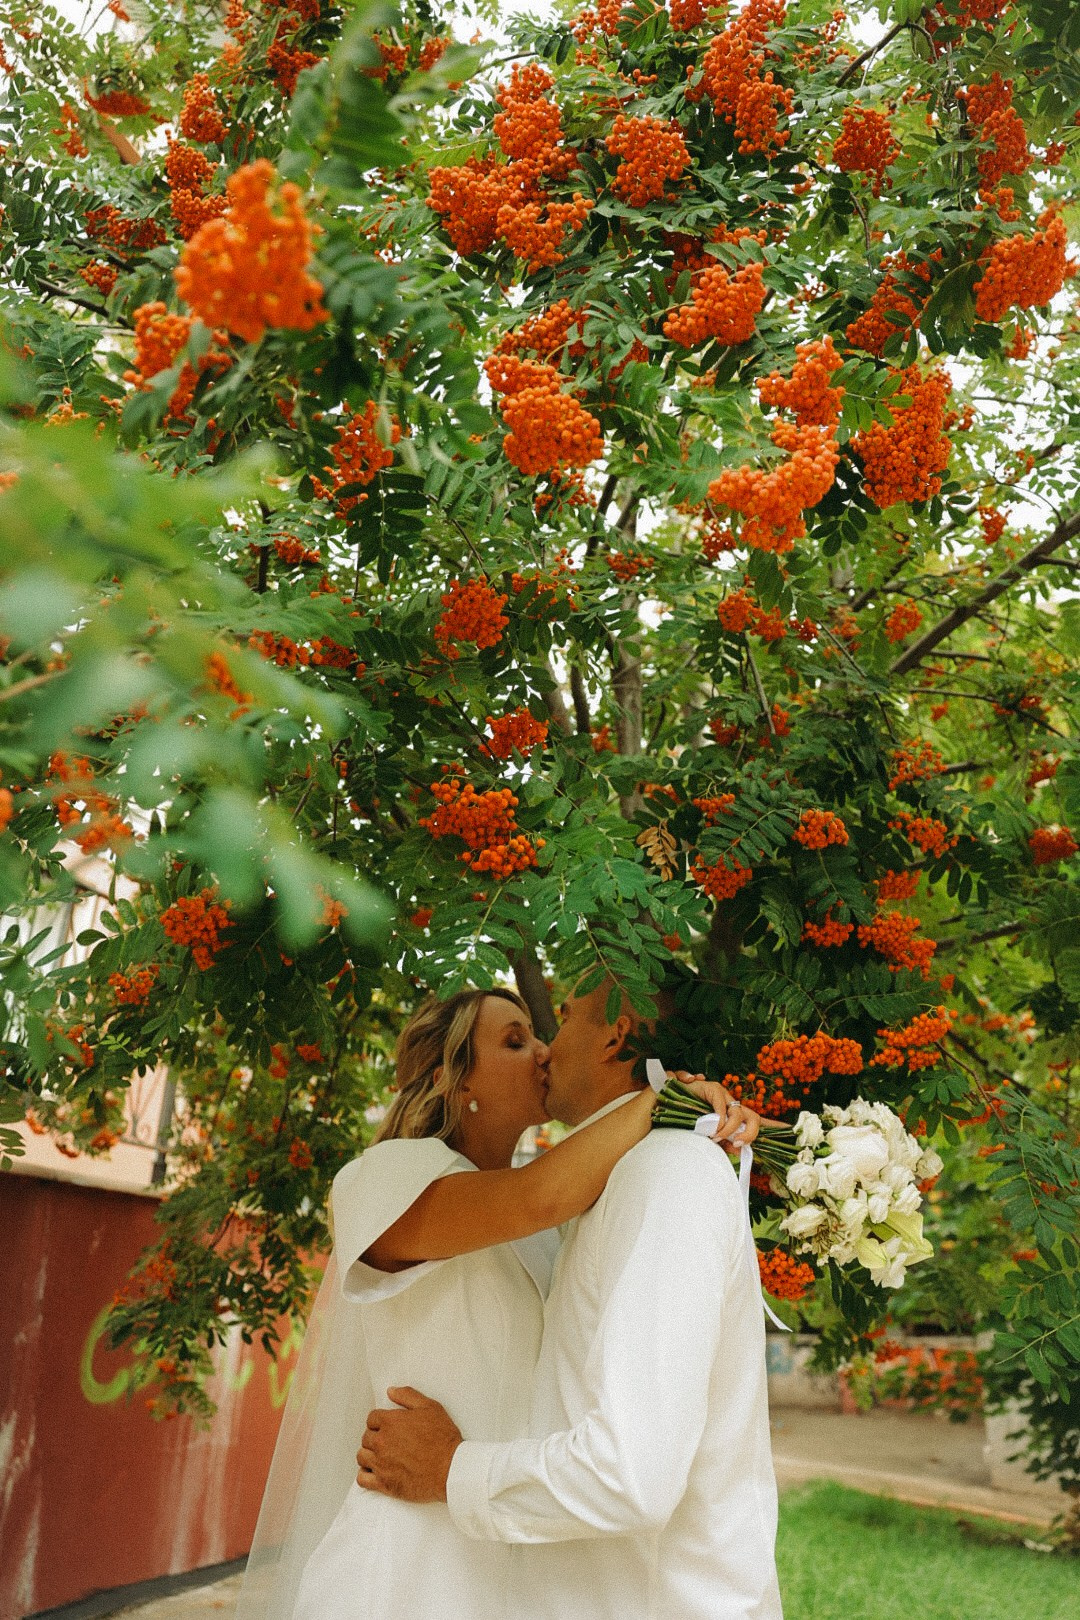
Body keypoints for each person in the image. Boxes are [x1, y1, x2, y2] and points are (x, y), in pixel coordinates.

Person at [235, 984, 756, 1620]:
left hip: (506, 1543)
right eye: (514, 1041)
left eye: (541, 1033)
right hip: (410, 1554)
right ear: (453, 1079)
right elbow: (538, 1193)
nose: (541, 1052)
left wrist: (715, 1123)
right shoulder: (382, 1179)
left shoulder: (553, 1231)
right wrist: (663, 1101)